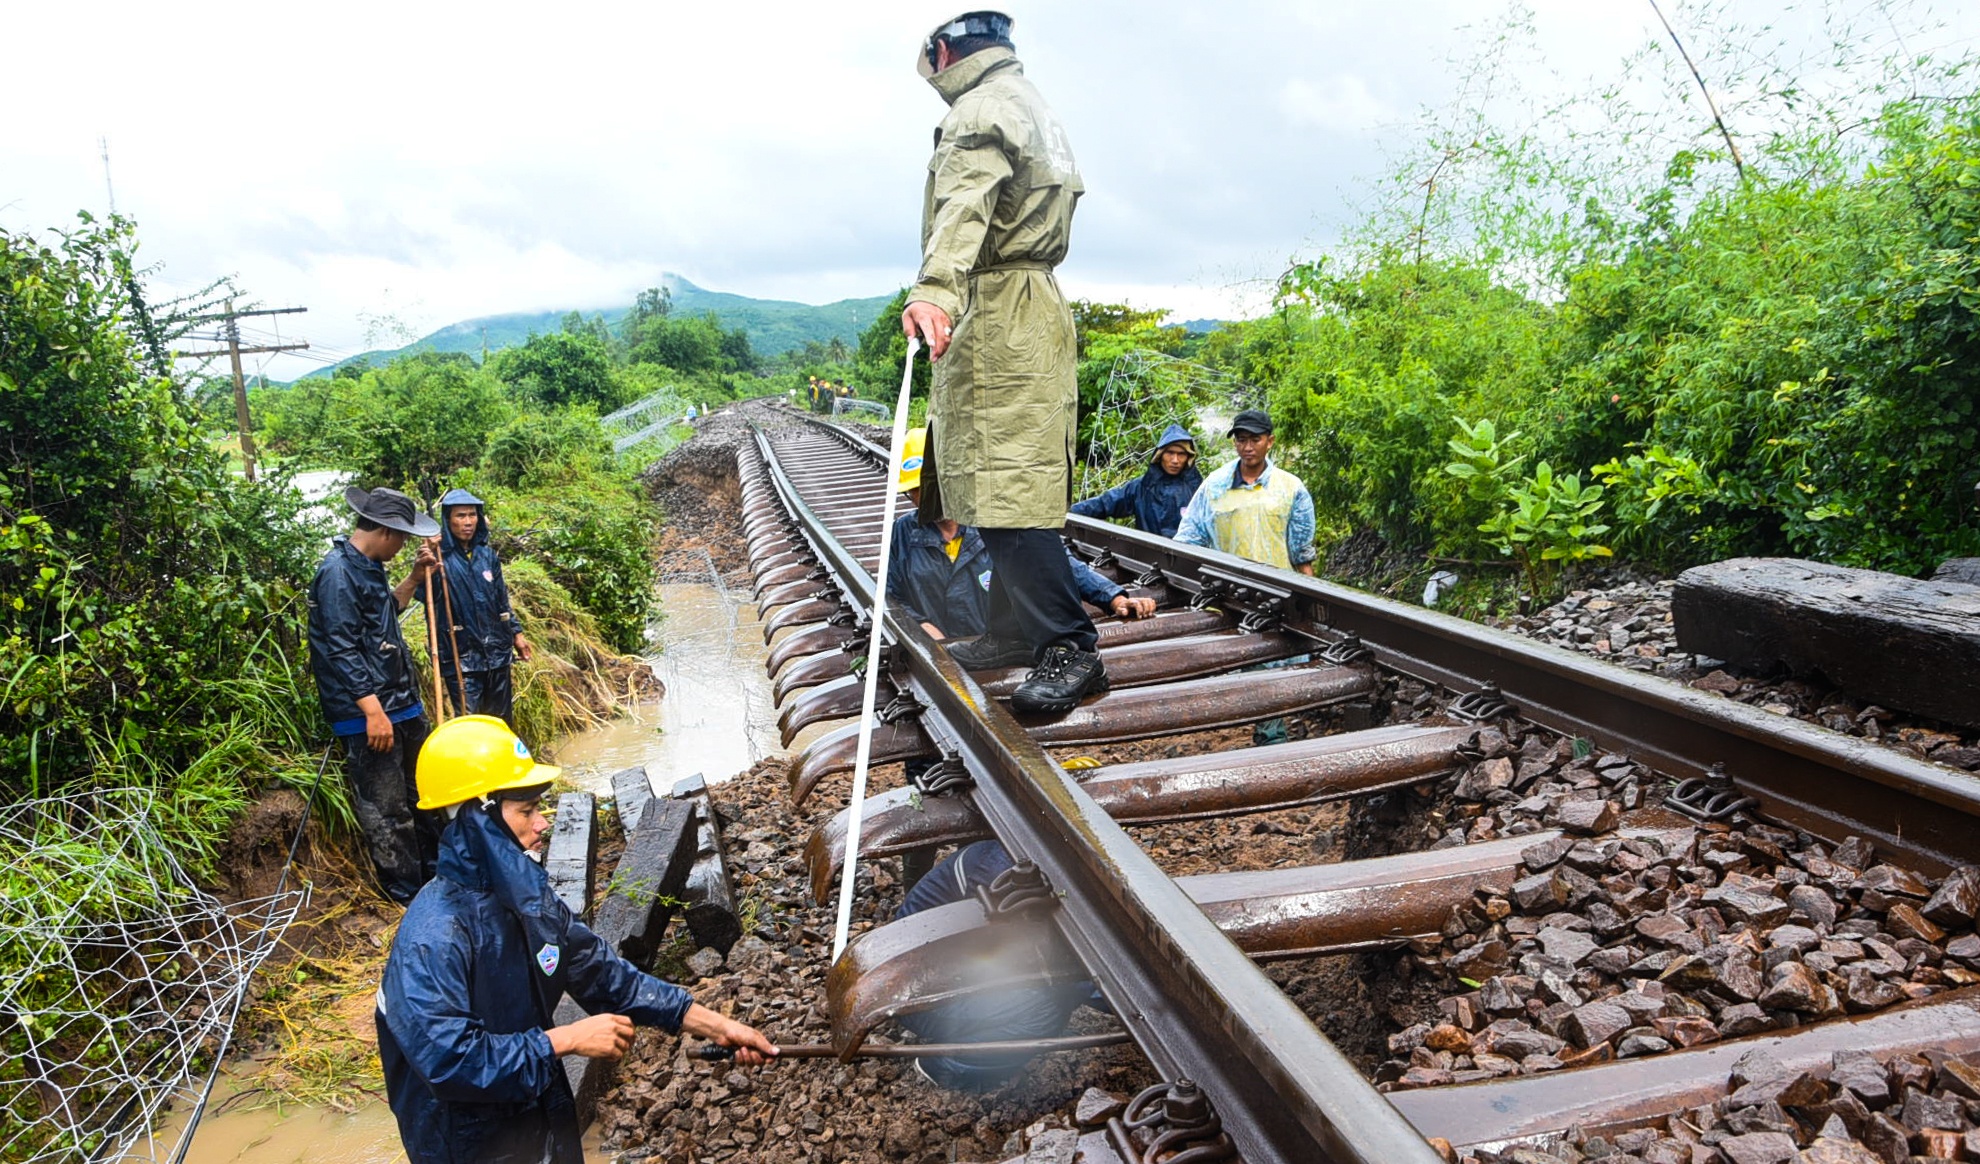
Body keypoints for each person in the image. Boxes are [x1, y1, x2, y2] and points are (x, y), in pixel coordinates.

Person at [378, 715, 776, 1164]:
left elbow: (605, 976)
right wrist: (563, 1041)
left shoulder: (529, 900)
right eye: (526, 811)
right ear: (476, 820)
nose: (542, 823)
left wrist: (717, 1025)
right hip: (464, 1139)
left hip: (537, 1104)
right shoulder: (432, 937)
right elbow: (450, 1061)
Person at [899, 11, 1104, 716]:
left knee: (1009, 486)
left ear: (946, 53)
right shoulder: (1030, 102)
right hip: (1029, 301)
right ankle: (1014, 629)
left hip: (995, 309)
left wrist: (933, 288)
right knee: (992, 479)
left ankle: (1069, 645)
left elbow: (966, 203)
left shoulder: (978, 110)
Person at [887, 429, 1155, 646]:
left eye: (930, 488)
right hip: (942, 656)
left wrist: (1114, 598)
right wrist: (922, 627)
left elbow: (1056, 563)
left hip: (997, 649)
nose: (923, 500)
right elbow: (892, 596)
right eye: (914, 491)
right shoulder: (903, 532)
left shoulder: (996, 520)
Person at [308, 485, 444, 904]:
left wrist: (415, 578)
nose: (403, 544)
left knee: (427, 794)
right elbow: (340, 647)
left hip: (401, 703)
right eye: (401, 536)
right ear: (384, 531)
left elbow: (385, 615)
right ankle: (407, 895)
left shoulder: (368, 567)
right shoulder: (337, 573)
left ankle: (439, 880)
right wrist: (373, 712)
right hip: (370, 713)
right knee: (388, 810)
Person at [895, 841, 1091, 1091]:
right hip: (915, 996)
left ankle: (982, 1035)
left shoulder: (1018, 849)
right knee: (1047, 1009)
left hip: (928, 968)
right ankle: (946, 1065)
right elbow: (1061, 974)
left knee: (1056, 991)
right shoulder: (1002, 879)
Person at [418, 488, 533, 727]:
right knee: (471, 725)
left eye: (472, 515)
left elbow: (501, 600)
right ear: (448, 520)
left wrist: (517, 635)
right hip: (462, 659)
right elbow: (424, 595)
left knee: (501, 723)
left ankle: (501, 764)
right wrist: (428, 561)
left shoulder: (487, 556)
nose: (468, 522)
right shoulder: (438, 557)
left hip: (496, 655)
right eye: (460, 516)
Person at [1173, 410, 1317, 576]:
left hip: (1279, 589)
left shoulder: (1291, 488)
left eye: (1256, 440)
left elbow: (1301, 553)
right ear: (1235, 443)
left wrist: (1311, 594)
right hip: (1226, 588)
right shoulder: (1215, 486)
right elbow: (1189, 538)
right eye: (1242, 440)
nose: (1248, 447)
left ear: (1269, 442)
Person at [1069, 423, 1203, 538]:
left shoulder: (1199, 490)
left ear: (1188, 457)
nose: (1175, 460)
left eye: (1181, 454)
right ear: (1160, 455)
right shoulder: (1141, 488)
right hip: (1148, 559)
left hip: (1187, 561)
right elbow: (1106, 503)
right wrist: (1068, 514)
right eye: (1170, 453)